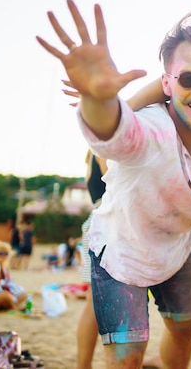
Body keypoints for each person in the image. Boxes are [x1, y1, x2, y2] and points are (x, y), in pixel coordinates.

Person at [36, 0, 191, 368]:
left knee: (185, 330)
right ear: (167, 84)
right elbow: (116, 131)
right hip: (120, 253)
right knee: (127, 358)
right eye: (189, 78)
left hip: (176, 251)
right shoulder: (153, 129)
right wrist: (100, 100)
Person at [76, 150, 107, 369]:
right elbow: (116, 184)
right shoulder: (104, 147)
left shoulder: (92, 153)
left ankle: (83, 365)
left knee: (92, 301)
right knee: (95, 302)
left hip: (97, 217)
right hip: (109, 218)